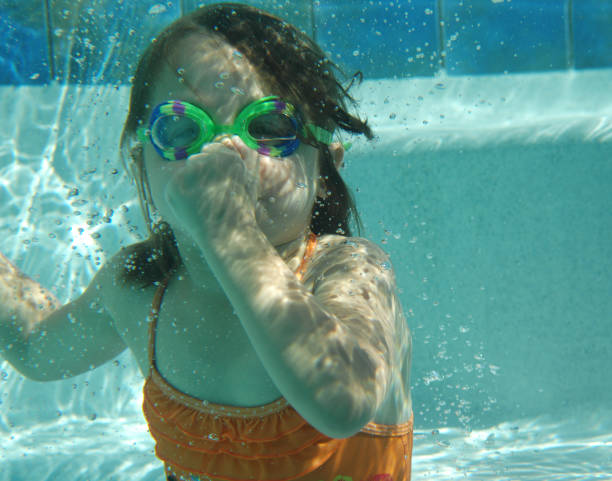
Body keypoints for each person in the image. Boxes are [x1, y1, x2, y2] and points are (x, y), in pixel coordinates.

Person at [0, 3, 413, 480]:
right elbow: (35, 345)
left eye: (268, 129)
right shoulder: (138, 290)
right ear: (142, 170)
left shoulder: (349, 271)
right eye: (182, 128)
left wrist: (230, 232)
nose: (225, 151)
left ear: (325, 170)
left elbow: (343, 400)